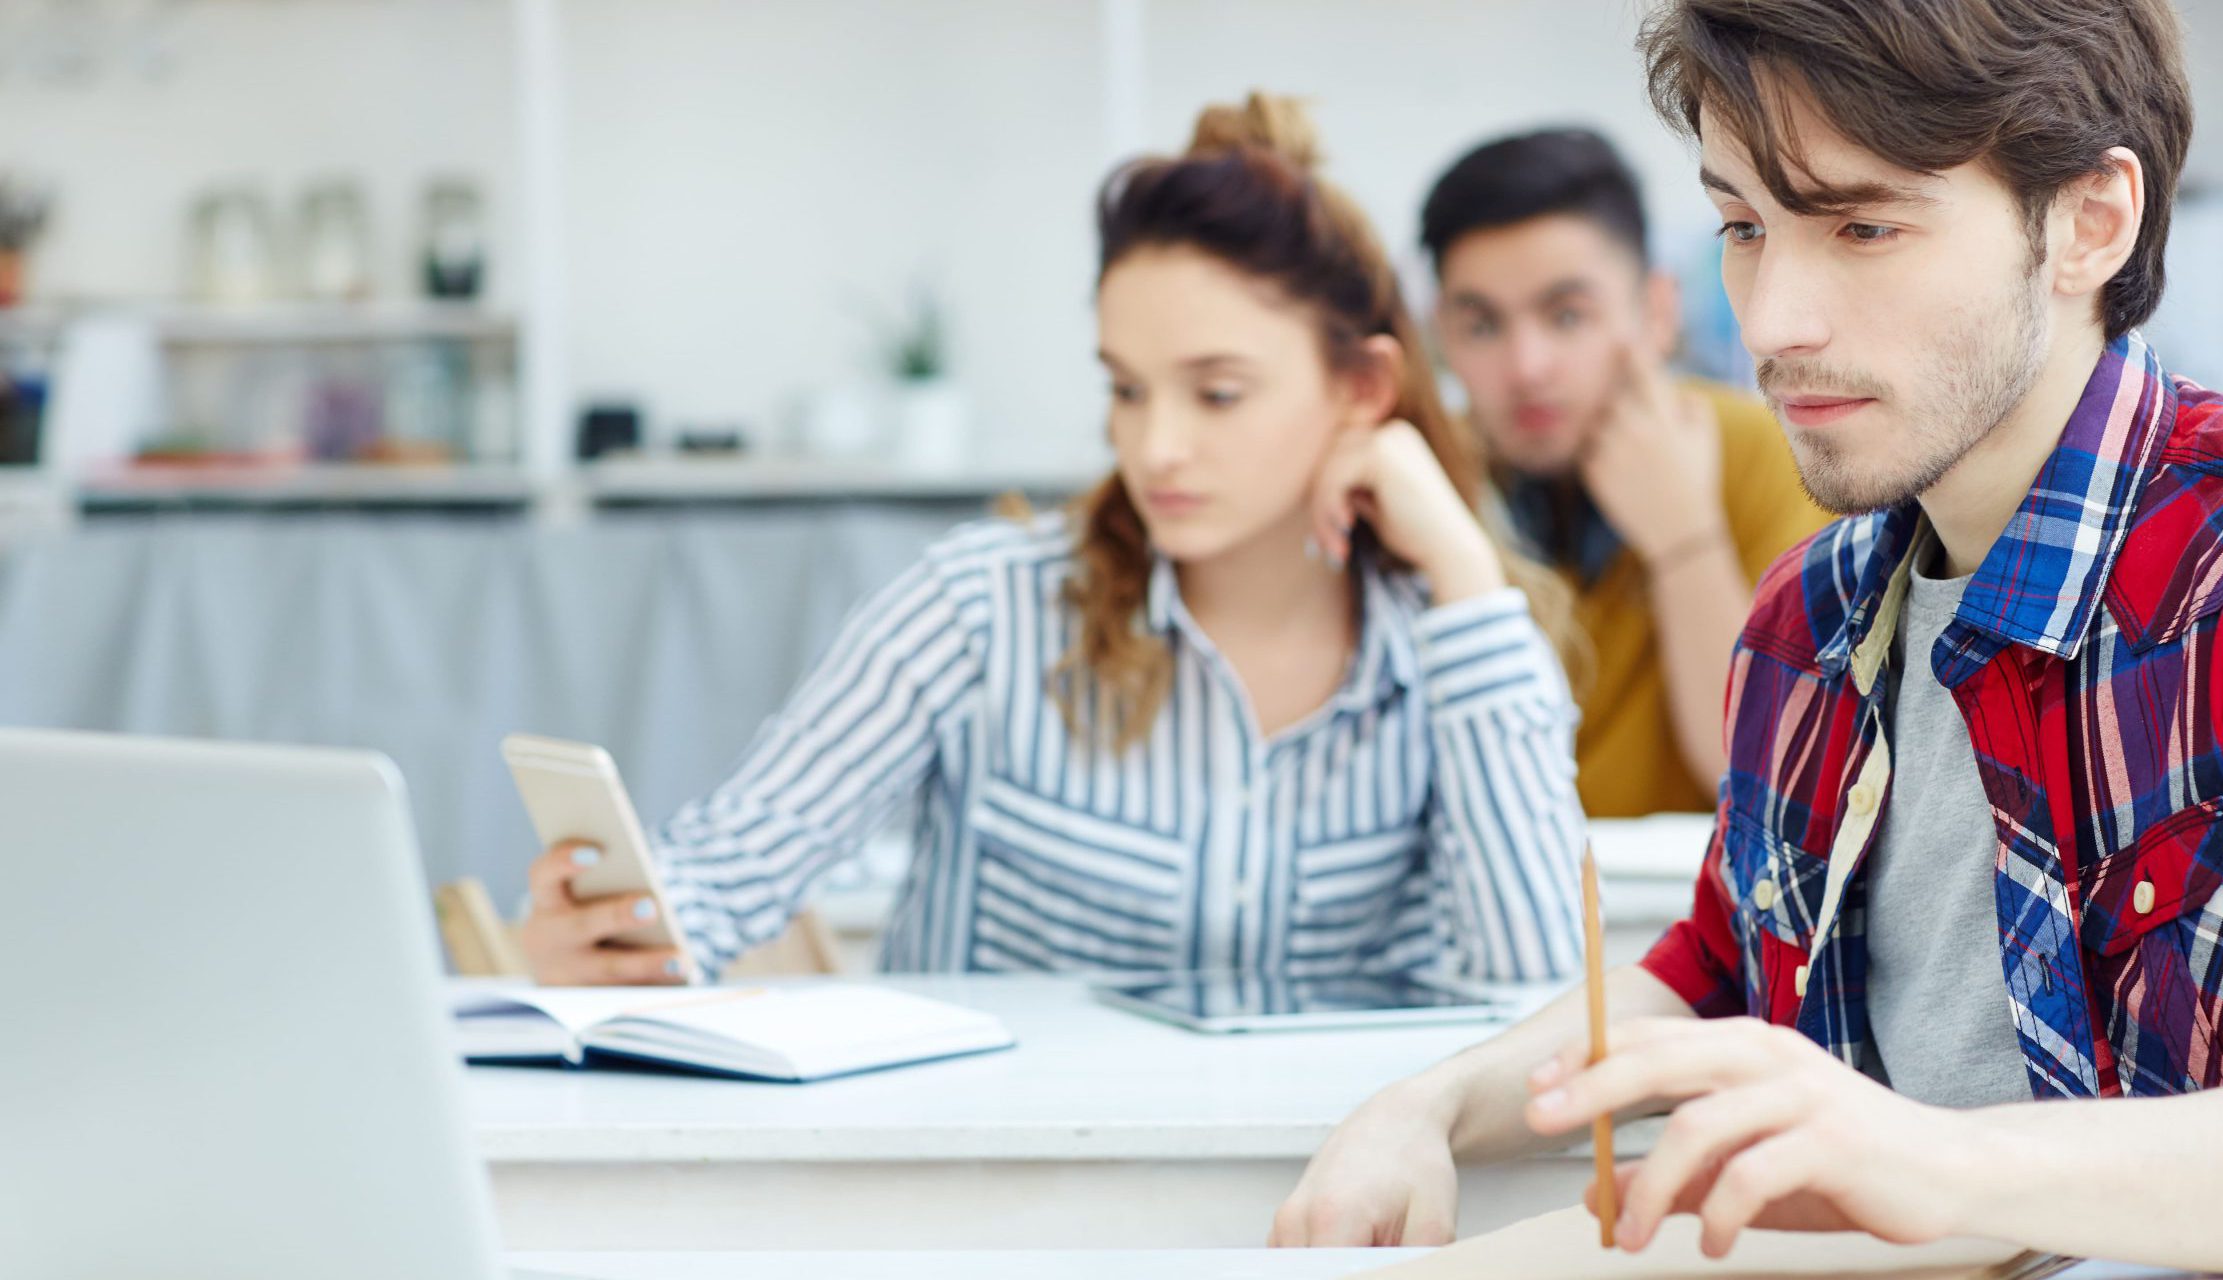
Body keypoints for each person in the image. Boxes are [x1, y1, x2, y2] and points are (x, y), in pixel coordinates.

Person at [1273, 0, 2223, 1268]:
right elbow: (1713, 964)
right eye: (1743, 228)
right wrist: (1429, 1106)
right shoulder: (1808, 618)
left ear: (2088, 222)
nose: (1771, 321)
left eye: (1863, 226)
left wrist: (1937, 1161)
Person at [519, 93, 1588, 986]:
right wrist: (612, 935)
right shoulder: (981, 609)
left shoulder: (1445, 641)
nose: (1154, 446)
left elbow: (1545, 995)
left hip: (1318, 1181)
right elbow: (719, 879)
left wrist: (1463, 571)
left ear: (1361, 388)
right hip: (993, 1175)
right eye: (1126, 389)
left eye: (1217, 393)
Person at [1421, 127, 1832, 816]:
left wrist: (1685, 542)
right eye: (1483, 326)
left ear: (1656, 311)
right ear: (1442, 335)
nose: (1526, 367)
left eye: (1567, 316)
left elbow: (1772, 782)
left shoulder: (1773, 454)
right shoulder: (1427, 485)